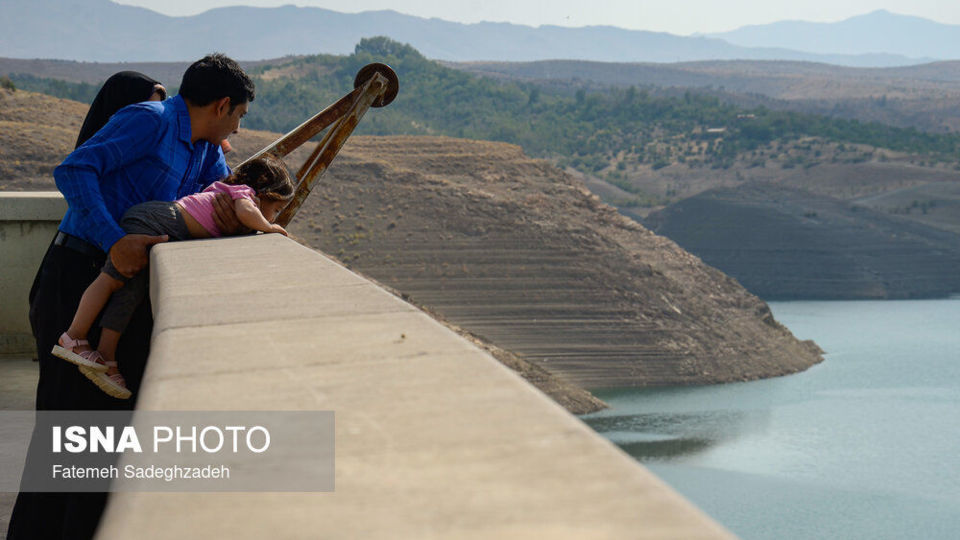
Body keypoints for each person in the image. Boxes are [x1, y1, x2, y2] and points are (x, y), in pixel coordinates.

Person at [7, 53, 255, 540]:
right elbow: (74, 170)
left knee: (108, 434)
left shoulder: (207, 151)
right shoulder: (149, 120)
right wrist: (114, 240)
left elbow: (217, 197)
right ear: (222, 104)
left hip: (126, 292)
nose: (238, 128)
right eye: (240, 116)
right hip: (77, 276)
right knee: (67, 432)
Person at [53, 156, 292, 399]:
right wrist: (268, 228)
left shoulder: (227, 191)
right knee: (111, 279)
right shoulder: (243, 194)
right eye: (276, 210)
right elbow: (246, 212)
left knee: (129, 293)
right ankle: (74, 334)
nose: (274, 217)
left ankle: (106, 356)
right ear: (264, 192)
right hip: (150, 220)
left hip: (155, 223)